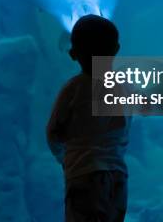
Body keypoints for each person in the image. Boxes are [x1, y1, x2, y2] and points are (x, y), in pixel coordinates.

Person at [46, 15, 131, 222]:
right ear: (116, 49)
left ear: (73, 53)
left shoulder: (73, 88)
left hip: (84, 174)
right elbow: (124, 131)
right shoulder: (125, 87)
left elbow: (53, 131)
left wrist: (62, 158)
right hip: (117, 176)